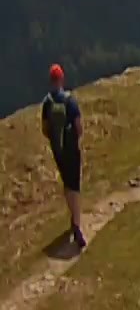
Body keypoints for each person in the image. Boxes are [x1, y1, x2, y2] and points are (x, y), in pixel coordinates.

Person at [40, 63, 82, 253]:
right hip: (72, 150)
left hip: (58, 150)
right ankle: (77, 224)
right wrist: (73, 140)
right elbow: (79, 127)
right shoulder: (70, 101)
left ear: (50, 80)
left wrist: (55, 142)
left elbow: (45, 129)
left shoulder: (47, 103)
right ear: (62, 78)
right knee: (75, 186)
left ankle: (72, 216)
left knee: (67, 184)